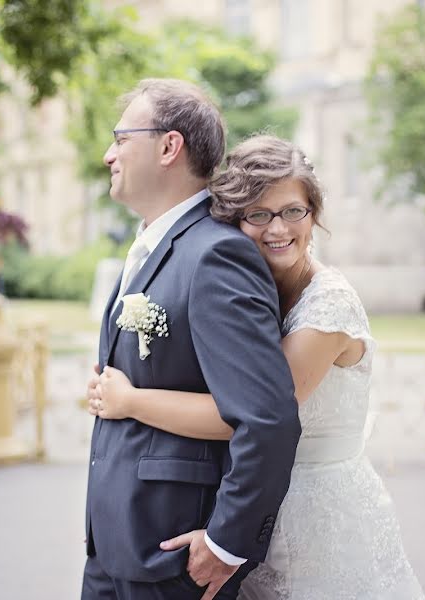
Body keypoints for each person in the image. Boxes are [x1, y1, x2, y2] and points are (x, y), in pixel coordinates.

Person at [90, 135, 425, 599]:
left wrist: (130, 401)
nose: (277, 229)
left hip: (317, 518)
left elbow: (256, 416)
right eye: (258, 214)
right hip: (252, 504)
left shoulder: (329, 307)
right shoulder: (241, 288)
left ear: (314, 213)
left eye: (293, 211)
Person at [81, 81, 302, 600]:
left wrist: (227, 543)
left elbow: (268, 418)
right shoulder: (153, 244)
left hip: (174, 557)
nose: (108, 154)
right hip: (114, 543)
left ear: (168, 147)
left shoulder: (215, 255)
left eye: (121, 138)